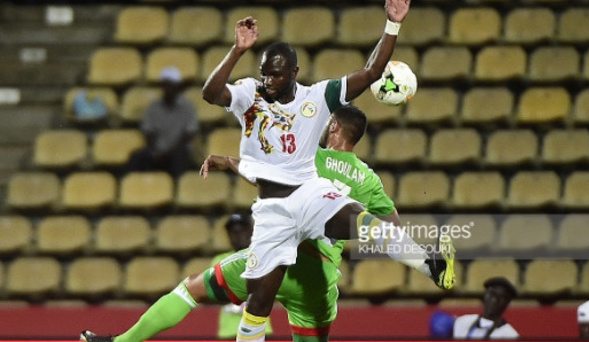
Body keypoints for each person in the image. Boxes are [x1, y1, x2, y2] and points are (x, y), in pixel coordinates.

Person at [81, 105, 450, 342]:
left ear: (334, 126)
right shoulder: (369, 180)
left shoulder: (309, 156)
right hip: (321, 279)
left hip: (279, 256)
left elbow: (264, 177)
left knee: (190, 290)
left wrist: (227, 161)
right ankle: (428, 263)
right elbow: (392, 229)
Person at [201, 1, 454, 341]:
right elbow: (211, 93)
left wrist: (392, 25)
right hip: (276, 213)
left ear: (294, 72)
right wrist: (236, 50)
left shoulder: (318, 98)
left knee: (361, 222)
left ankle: (430, 264)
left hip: (306, 198)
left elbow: (370, 73)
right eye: (264, 72)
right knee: (258, 302)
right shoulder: (251, 95)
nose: (268, 80)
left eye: (275, 73)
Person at [125, 66, 199, 179]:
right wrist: (155, 152)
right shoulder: (153, 107)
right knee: (137, 157)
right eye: (165, 85)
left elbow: (188, 135)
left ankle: (177, 190)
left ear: (177, 87)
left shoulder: (188, 107)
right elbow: (148, 133)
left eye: (171, 85)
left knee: (179, 157)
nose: (167, 88)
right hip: (157, 150)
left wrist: (167, 153)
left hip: (177, 150)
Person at [212, 213, 272, 339]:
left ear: (251, 231)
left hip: (260, 328)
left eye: (242, 230)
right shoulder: (219, 260)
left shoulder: (262, 256)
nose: (237, 235)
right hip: (229, 331)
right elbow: (216, 290)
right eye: (233, 232)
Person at [452, 277, 519, 340]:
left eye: (501, 297)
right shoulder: (462, 322)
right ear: (484, 295)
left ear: (507, 303)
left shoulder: (509, 335)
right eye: (491, 294)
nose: (494, 300)